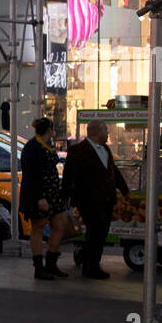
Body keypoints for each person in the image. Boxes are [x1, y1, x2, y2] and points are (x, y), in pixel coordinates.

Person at [63, 120, 130, 280]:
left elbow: (113, 171)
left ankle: (87, 259)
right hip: (88, 199)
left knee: (101, 231)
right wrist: (66, 196)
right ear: (96, 132)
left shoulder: (105, 149)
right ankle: (91, 266)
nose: (108, 133)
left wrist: (124, 190)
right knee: (96, 230)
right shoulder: (77, 150)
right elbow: (69, 175)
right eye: (106, 130)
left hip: (106, 198)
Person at [19, 117, 69, 281]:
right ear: (50, 129)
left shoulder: (46, 145)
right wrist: (40, 198)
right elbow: (31, 175)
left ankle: (51, 263)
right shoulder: (33, 147)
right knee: (38, 228)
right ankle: (38, 268)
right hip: (38, 194)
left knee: (60, 224)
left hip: (53, 193)